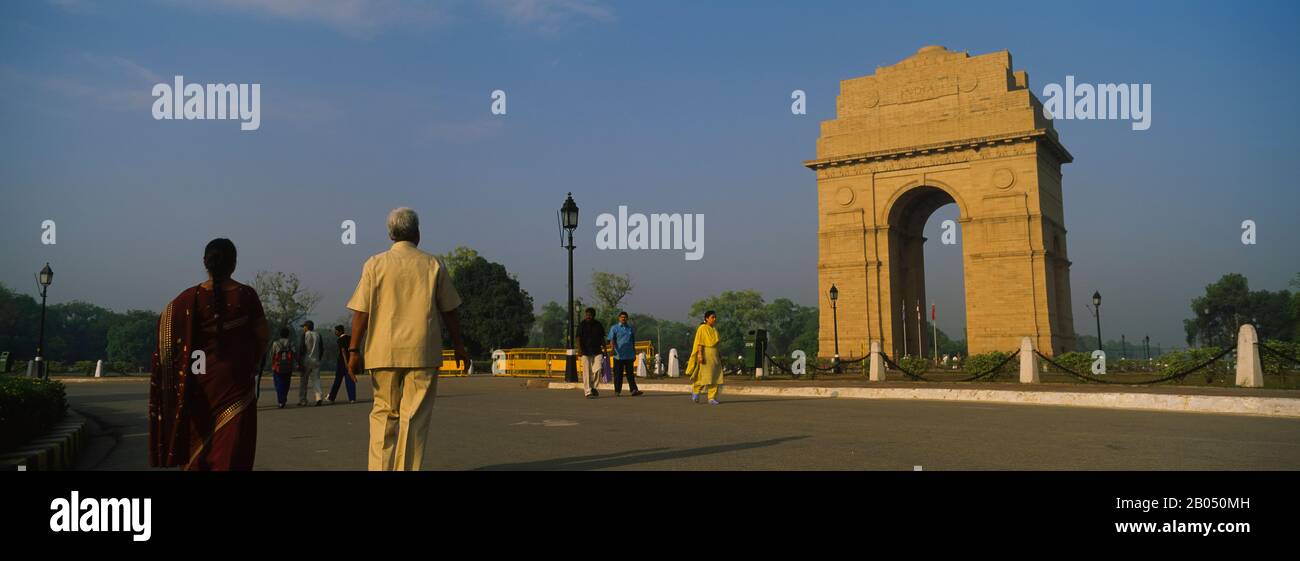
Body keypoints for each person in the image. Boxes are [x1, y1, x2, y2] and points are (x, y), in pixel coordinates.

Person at [347, 207, 468, 471]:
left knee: (383, 416)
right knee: (413, 420)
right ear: (417, 233)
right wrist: (459, 345)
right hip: (421, 352)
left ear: (391, 235)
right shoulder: (432, 264)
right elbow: (450, 310)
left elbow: (361, 312)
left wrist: (354, 350)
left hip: (383, 351)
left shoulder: (375, 264)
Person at [149, 238, 269, 470]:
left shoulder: (186, 299)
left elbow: (166, 342)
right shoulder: (246, 296)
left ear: (205, 263)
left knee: (197, 447)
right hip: (236, 383)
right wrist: (252, 363)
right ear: (234, 264)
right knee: (232, 450)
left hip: (197, 383)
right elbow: (262, 336)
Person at [686, 310, 723, 405]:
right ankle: (696, 391)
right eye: (712, 317)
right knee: (703, 376)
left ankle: (711, 397)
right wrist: (700, 355)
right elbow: (700, 343)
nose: (714, 319)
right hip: (705, 354)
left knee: (715, 377)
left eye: (715, 317)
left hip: (714, 356)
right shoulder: (702, 328)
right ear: (706, 318)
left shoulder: (714, 329)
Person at [607, 311, 642, 396]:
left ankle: (633, 390)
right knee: (618, 374)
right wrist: (612, 349)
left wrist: (634, 353)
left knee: (630, 374)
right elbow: (611, 339)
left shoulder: (630, 329)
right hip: (618, 355)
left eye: (625, 317)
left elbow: (632, 341)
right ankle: (617, 391)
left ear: (627, 318)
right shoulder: (614, 328)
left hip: (629, 355)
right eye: (622, 317)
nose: (623, 318)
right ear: (619, 318)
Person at [576, 307, 605, 398]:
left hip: (597, 350)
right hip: (585, 351)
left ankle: (593, 387)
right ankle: (588, 391)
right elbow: (578, 338)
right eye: (586, 315)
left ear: (593, 315)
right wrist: (579, 349)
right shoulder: (582, 325)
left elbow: (602, 338)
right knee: (586, 372)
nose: (588, 316)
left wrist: (605, 350)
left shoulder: (598, 325)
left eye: (590, 315)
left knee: (598, 369)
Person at [327, 324, 356, 404]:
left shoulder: (340, 340)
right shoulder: (350, 338)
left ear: (339, 331)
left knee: (337, 380)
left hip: (342, 362)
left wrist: (346, 363)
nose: (335, 333)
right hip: (351, 360)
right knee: (350, 380)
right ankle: (352, 398)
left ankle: (331, 397)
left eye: (336, 331)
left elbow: (343, 351)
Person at [297, 320, 325, 406]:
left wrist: (299, 361)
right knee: (316, 379)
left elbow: (302, 349)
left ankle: (303, 400)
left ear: (306, 327)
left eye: (304, 327)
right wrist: (319, 358)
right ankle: (319, 397)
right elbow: (321, 349)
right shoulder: (318, 335)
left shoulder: (305, 335)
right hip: (316, 360)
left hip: (306, 360)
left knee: (304, 381)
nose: (303, 328)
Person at [269, 327, 296, 408]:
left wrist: (272, 364)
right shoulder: (291, 342)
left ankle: (281, 400)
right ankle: (284, 397)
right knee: (287, 383)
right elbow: (294, 353)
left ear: (280, 334)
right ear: (288, 334)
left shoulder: (275, 343)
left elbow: (272, 355)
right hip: (288, 366)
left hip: (278, 367)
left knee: (279, 384)